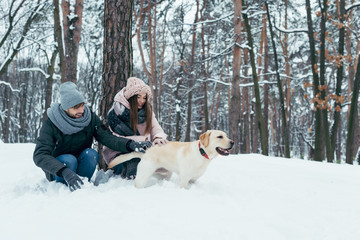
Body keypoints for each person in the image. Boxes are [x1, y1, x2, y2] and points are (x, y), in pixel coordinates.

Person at [33, 81, 152, 191]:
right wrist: (64, 171)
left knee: (91, 154)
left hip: (81, 161)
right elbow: (40, 155)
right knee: (70, 160)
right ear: (65, 108)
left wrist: (131, 144)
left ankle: (83, 186)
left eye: (82, 105)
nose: (81, 110)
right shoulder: (52, 123)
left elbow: (107, 137)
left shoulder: (88, 118)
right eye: (76, 107)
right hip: (60, 169)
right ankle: (64, 189)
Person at [102, 77, 168, 179]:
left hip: (141, 150)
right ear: (131, 96)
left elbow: (156, 127)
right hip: (118, 154)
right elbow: (116, 138)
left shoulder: (147, 111)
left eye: (144, 97)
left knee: (164, 162)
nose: (142, 101)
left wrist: (158, 138)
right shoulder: (117, 112)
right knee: (137, 163)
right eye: (138, 97)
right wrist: (141, 141)